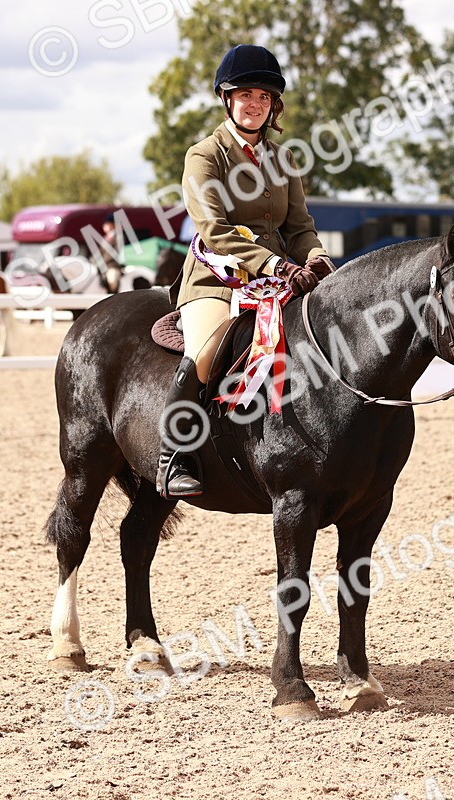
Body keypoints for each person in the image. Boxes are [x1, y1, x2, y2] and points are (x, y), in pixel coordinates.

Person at [156, 43, 335, 499]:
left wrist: (314, 258)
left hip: (282, 277)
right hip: (218, 278)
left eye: (264, 97)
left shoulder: (283, 159)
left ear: (273, 104)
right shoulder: (204, 156)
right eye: (246, 95)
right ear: (227, 99)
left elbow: (299, 227)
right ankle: (173, 453)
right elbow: (214, 230)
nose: (255, 104)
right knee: (205, 353)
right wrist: (276, 264)